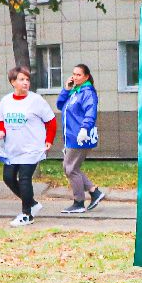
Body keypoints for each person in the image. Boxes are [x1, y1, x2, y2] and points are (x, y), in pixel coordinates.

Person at [0, 65, 57, 227]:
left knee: (24, 178)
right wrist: (0, 132)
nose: (25, 83)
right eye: (21, 80)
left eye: (27, 80)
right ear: (12, 82)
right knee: (8, 178)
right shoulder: (6, 101)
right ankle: (32, 203)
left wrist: (49, 139)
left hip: (32, 148)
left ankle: (27, 214)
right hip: (12, 148)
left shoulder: (36, 100)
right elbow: (1, 120)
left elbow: (51, 121)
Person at [56, 63, 105, 215]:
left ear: (86, 76)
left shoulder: (87, 92)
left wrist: (84, 129)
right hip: (71, 135)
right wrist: (66, 89)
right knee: (70, 167)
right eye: (74, 74)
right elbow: (60, 105)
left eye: (78, 75)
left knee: (70, 168)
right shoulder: (75, 91)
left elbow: (91, 112)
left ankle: (78, 202)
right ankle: (94, 191)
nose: (75, 77)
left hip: (80, 135)